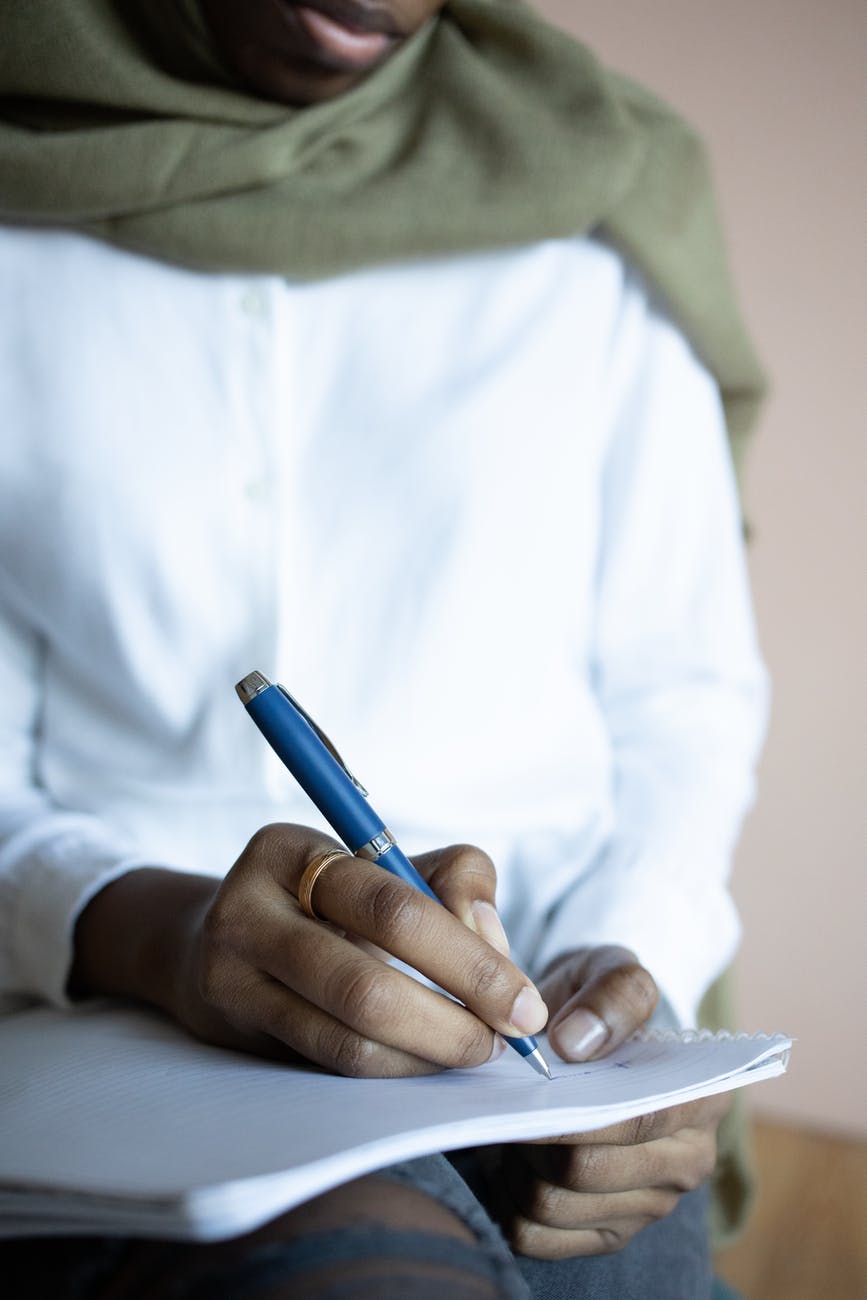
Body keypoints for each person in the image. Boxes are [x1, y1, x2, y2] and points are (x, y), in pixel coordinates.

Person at [0, 1, 767, 1296]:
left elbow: (682, 699)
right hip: (108, 1024)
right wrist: (167, 939)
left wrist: (627, 963)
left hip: (556, 1063)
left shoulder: (603, 196)